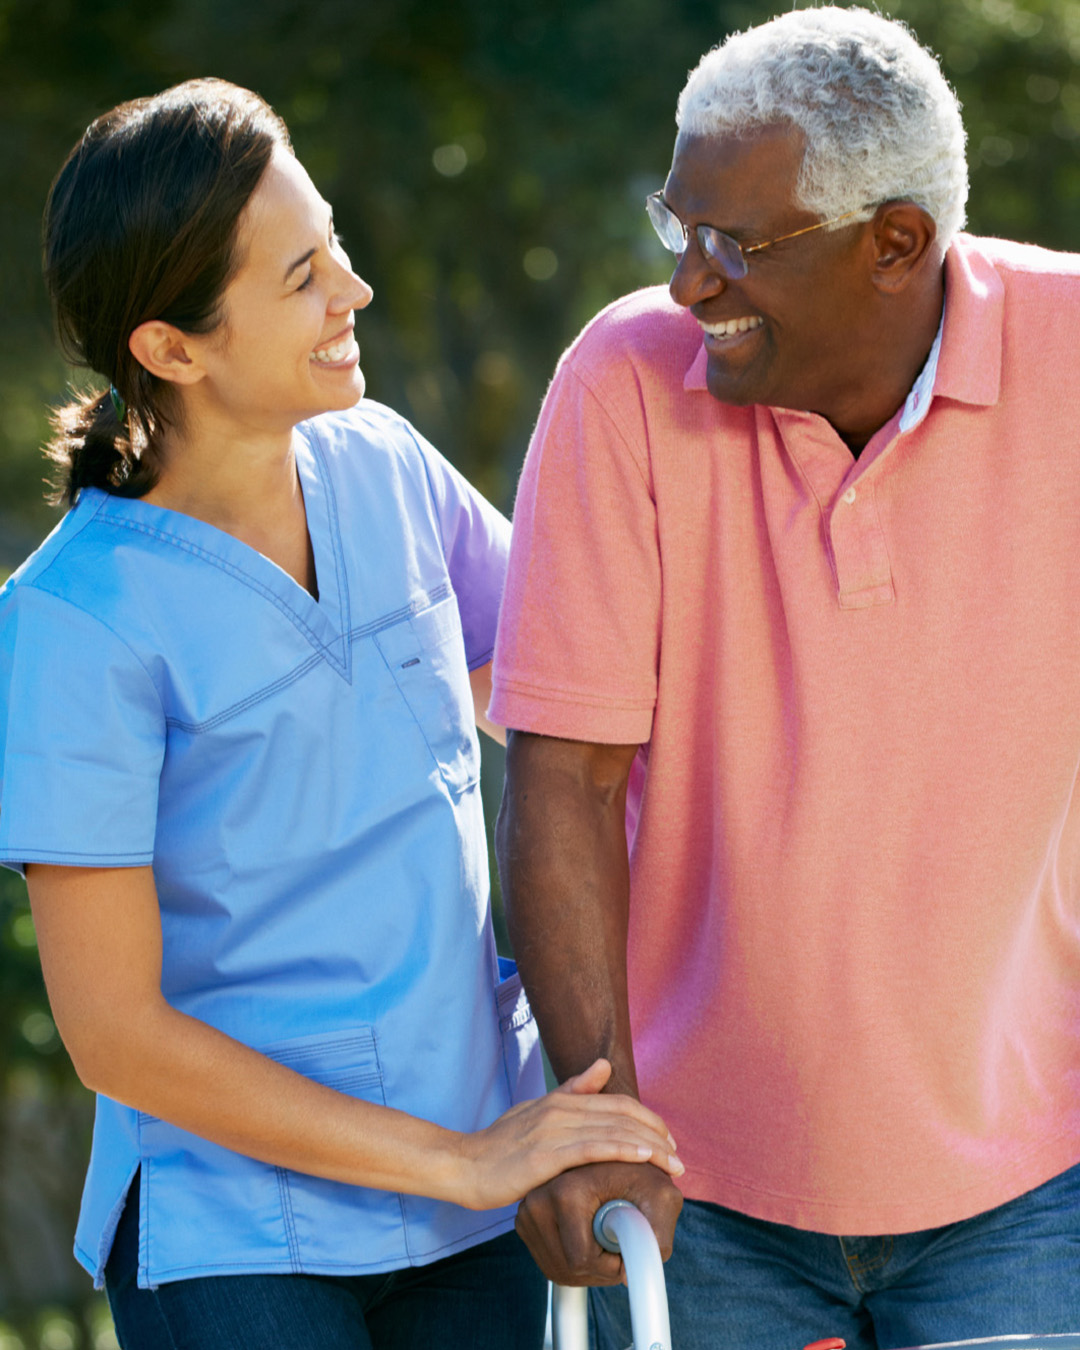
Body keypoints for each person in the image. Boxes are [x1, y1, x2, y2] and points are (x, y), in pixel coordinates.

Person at [0, 79, 683, 1350]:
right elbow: (115, 1037)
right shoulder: (75, 620)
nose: (351, 294)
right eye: (303, 274)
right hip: (242, 1238)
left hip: (476, 1199)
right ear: (172, 348)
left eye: (338, 247)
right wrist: (459, 1160)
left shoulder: (387, 466)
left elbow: (575, 718)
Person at [490, 8, 1080, 1349]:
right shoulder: (622, 384)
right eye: (679, 224)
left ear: (895, 245)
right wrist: (592, 1112)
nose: (691, 282)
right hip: (700, 1198)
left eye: (737, 244)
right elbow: (564, 779)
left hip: (1032, 1183)